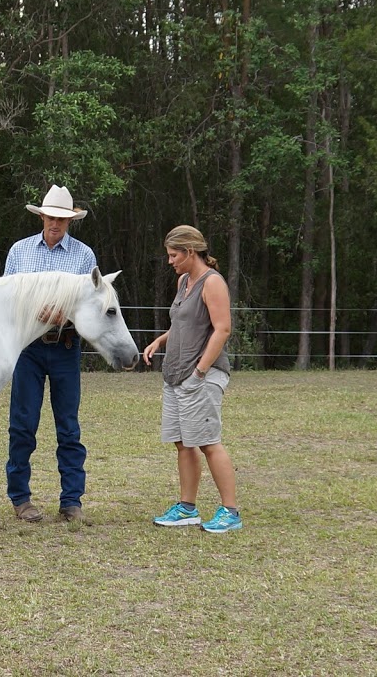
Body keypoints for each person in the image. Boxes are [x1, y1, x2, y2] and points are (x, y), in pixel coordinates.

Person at [3, 184, 97, 524]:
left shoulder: (84, 257)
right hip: (28, 348)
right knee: (22, 425)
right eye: (50, 217)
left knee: (68, 427)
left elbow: (91, 304)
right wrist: (35, 312)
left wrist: (65, 316)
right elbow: (7, 298)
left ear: (70, 221)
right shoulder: (19, 252)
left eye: (62, 218)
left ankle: (71, 500)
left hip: (66, 347)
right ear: (42, 216)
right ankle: (20, 498)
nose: (55, 223)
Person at [141, 225, 242, 533]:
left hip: (201, 376)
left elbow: (222, 329)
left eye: (174, 255)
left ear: (190, 252)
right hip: (175, 375)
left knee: (209, 443)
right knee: (183, 443)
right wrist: (161, 341)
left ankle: (230, 512)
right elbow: (186, 325)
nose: (170, 261)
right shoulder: (184, 281)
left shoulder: (212, 283)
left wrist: (200, 372)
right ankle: (187, 508)